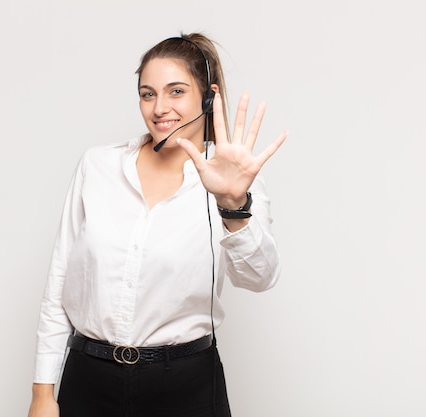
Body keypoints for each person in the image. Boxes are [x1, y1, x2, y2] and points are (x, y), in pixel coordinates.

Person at [27, 32, 287, 417]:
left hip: (186, 386)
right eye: (148, 94)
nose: (159, 107)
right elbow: (60, 283)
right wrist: (42, 392)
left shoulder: (234, 181)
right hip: (89, 380)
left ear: (208, 97)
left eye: (176, 91)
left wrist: (232, 205)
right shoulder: (98, 166)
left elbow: (259, 277)